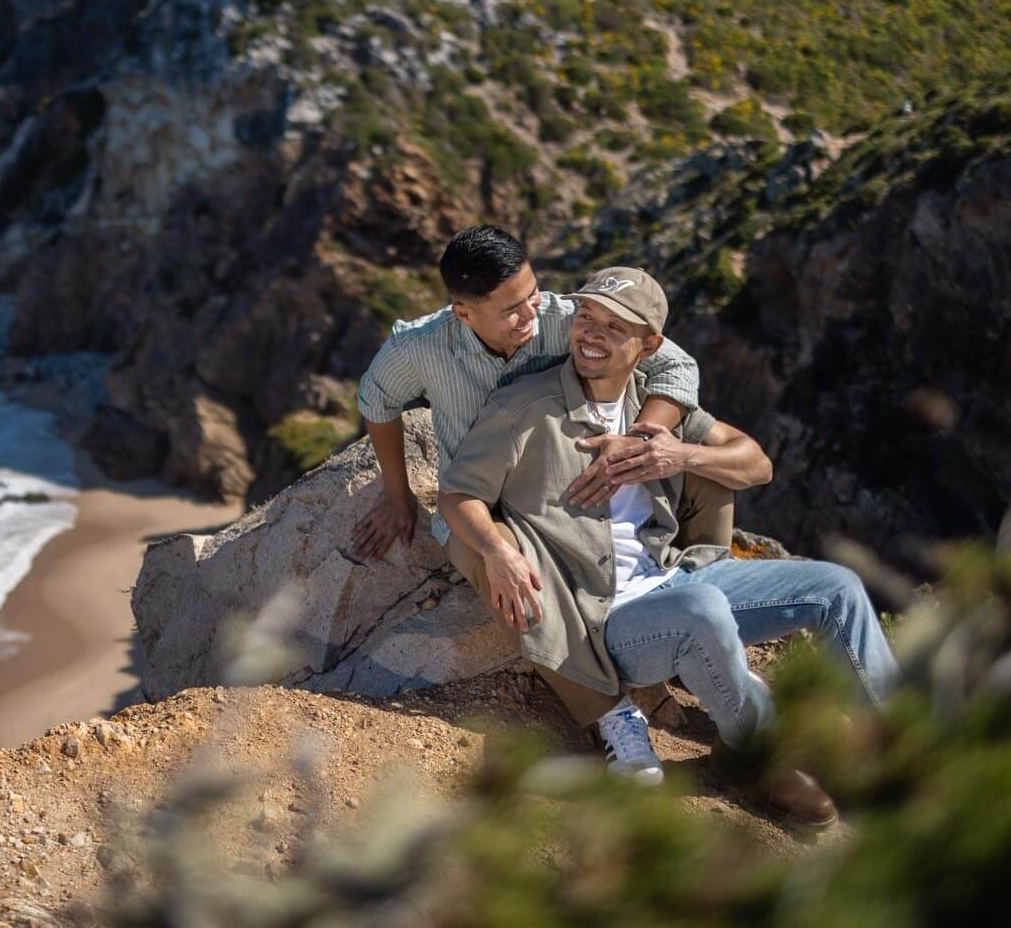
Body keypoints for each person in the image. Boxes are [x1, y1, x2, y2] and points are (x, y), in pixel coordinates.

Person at [437, 266, 898, 825]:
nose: (591, 334)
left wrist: (679, 456)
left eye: (614, 326)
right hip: (608, 616)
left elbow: (757, 463)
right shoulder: (524, 407)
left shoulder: (656, 409)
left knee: (838, 587)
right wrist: (496, 549)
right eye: (586, 318)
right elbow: (459, 493)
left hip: (680, 575)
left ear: (649, 344)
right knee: (700, 613)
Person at [354, 225, 725, 782]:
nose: (531, 316)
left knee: (707, 464)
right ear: (463, 313)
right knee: (506, 570)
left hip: (577, 483)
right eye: (511, 311)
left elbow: (678, 366)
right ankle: (610, 715)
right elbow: (376, 399)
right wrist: (396, 494)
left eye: (532, 296)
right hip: (488, 501)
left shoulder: (568, 318)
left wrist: (641, 437)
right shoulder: (419, 347)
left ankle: (711, 627)